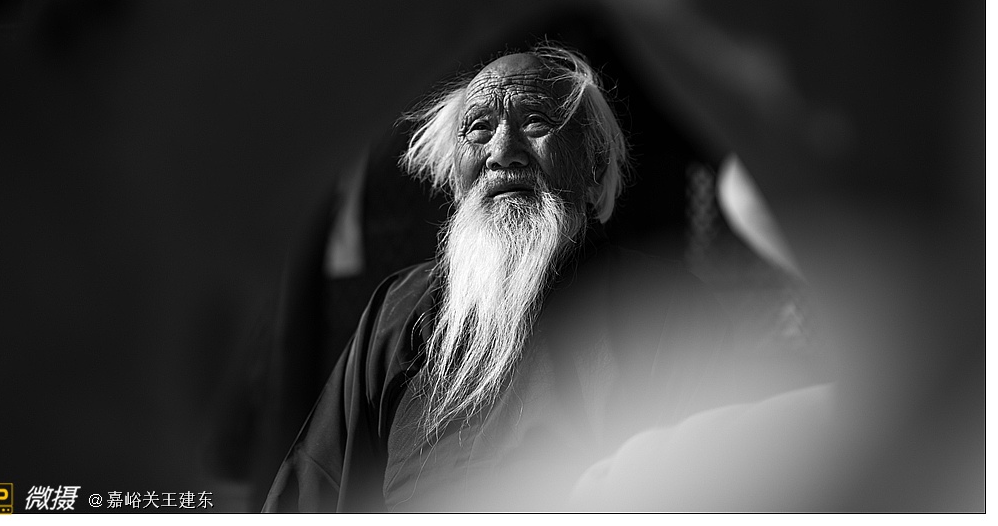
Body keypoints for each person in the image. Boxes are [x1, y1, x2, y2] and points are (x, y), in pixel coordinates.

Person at [262, 43, 786, 512]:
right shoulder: (401, 311)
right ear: (456, 175)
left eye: (535, 121)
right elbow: (311, 492)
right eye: (479, 128)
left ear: (594, 164)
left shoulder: (665, 311)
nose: (502, 151)